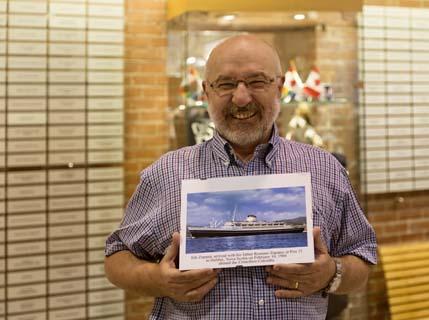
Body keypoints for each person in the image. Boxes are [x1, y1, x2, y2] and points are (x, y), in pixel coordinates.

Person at [105, 34, 377, 319]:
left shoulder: (325, 168)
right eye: (226, 84)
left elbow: (361, 258)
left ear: (279, 87)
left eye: (257, 82)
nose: (241, 97)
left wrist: (331, 274)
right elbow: (116, 258)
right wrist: (157, 280)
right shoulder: (166, 173)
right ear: (206, 92)